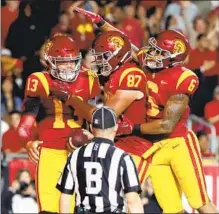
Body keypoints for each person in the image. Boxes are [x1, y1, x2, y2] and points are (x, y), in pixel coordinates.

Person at [72, 8, 218, 213]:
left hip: (177, 142)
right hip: (153, 147)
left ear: (173, 57)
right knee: (172, 208)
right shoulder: (149, 64)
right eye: (153, 49)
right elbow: (124, 45)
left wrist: (130, 127)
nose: (151, 54)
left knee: (200, 202)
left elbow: (166, 125)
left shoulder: (182, 79)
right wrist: (101, 22)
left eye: (159, 52)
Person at [51, 30, 153, 184]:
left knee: (122, 197)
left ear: (118, 55)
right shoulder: (111, 75)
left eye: (104, 56)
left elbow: (104, 118)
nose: (100, 61)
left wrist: (70, 98)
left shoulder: (132, 74)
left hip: (135, 147)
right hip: (115, 143)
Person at [17, 34, 100, 213]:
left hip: (80, 150)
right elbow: (25, 124)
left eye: (72, 61)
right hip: (50, 150)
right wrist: (28, 142)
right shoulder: (38, 80)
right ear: (50, 61)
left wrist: (93, 135)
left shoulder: (90, 77)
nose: (70, 66)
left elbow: (93, 118)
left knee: (83, 208)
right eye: (63, 61)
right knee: (48, 210)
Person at [57, 106, 144, 214]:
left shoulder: (75, 155)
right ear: (116, 128)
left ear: (91, 127)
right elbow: (133, 200)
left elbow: (65, 198)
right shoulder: (122, 157)